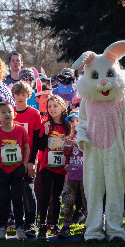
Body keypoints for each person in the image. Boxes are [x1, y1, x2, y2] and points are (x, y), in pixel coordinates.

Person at [28, 95, 70, 239]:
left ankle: (55, 225)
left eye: (55, 106)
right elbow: (39, 146)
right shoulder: (45, 124)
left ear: (62, 107)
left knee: (58, 195)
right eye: (49, 107)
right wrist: (45, 132)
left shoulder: (67, 126)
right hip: (46, 165)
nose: (52, 109)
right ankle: (42, 225)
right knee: (45, 194)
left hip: (61, 165)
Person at [0, 101, 30, 240]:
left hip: (17, 170)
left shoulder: (20, 130)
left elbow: (26, 148)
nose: (7, 114)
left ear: (14, 114)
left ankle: (20, 228)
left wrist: (23, 165)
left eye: (9, 111)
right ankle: (2, 229)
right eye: (3, 112)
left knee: (18, 199)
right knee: (4, 200)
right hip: (2, 172)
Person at [11, 81, 42, 237]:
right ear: (14, 95)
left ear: (29, 96)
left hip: (28, 160)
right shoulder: (10, 113)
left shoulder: (34, 113)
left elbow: (36, 139)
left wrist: (31, 161)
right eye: (18, 94)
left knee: (28, 189)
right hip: (12, 160)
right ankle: (19, 223)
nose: (21, 97)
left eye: (24, 94)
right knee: (15, 193)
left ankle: (32, 224)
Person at [58, 110, 88, 238]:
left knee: (87, 201)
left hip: (86, 175)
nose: (75, 124)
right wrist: (66, 145)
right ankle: (65, 227)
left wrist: (73, 142)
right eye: (72, 121)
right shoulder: (69, 136)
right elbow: (68, 154)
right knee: (69, 201)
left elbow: (85, 146)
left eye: (77, 120)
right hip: (72, 174)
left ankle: (90, 226)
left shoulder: (87, 135)